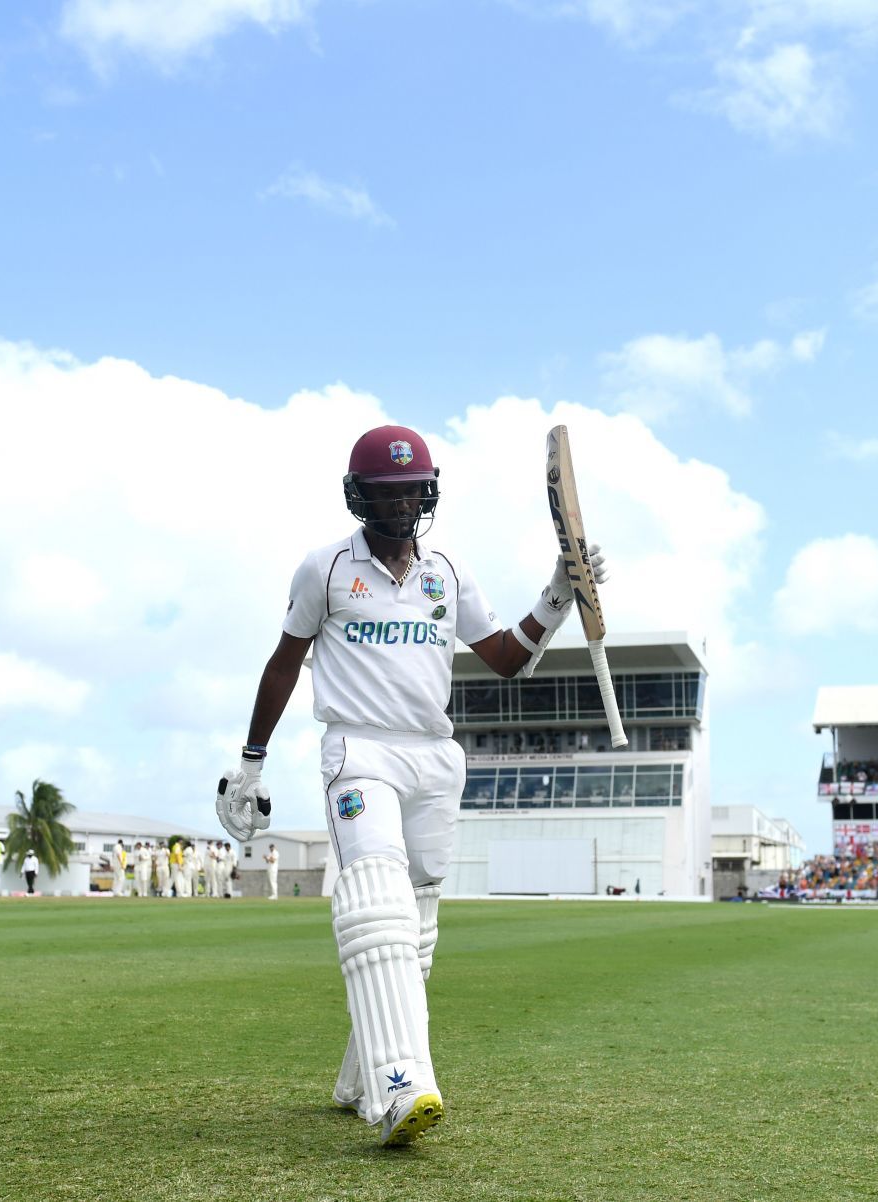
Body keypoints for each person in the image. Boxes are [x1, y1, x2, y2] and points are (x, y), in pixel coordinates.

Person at [217, 423, 605, 1147]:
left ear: (428, 494)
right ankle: (400, 1085)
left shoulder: (446, 573)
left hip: (434, 758)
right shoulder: (326, 569)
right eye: (387, 494)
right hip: (358, 753)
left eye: (411, 493)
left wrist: (556, 594)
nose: (401, 508)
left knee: (418, 930)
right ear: (360, 497)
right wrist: (251, 761)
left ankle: (358, 1074)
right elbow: (282, 662)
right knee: (378, 908)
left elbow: (503, 659)